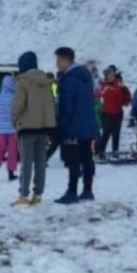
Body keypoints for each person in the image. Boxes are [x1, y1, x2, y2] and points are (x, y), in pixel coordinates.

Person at [10, 51, 57, 206]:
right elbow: (51, 104)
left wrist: (14, 120)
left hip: (27, 127)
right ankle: (38, 195)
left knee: (26, 162)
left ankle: (23, 195)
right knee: (40, 162)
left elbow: (18, 105)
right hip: (43, 127)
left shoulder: (22, 82)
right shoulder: (46, 82)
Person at [54, 47, 99, 204]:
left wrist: (61, 127)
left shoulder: (70, 79)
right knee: (86, 157)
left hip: (74, 125)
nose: (57, 64)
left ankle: (71, 191)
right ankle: (87, 190)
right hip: (87, 124)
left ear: (67, 60)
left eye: (58, 60)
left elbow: (67, 105)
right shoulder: (85, 77)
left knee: (73, 160)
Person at [96, 67, 132, 159]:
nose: (112, 77)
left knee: (116, 133)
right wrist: (119, 87)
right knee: (106, 133)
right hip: (107, 113)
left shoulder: (119, 85)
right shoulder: (104, 85)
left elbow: (126, 98)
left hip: (118, 112)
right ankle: (101, 152)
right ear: (106, 76)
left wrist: (124, 89)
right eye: (110, 75)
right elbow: (107, 93)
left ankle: (115, 151)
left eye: (113, 75)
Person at [0, 75, 19, 181]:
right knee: (12, 152)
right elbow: (18, 114)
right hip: (12, 130)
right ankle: (11, 173)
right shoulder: (15, 98)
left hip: (0, 130)